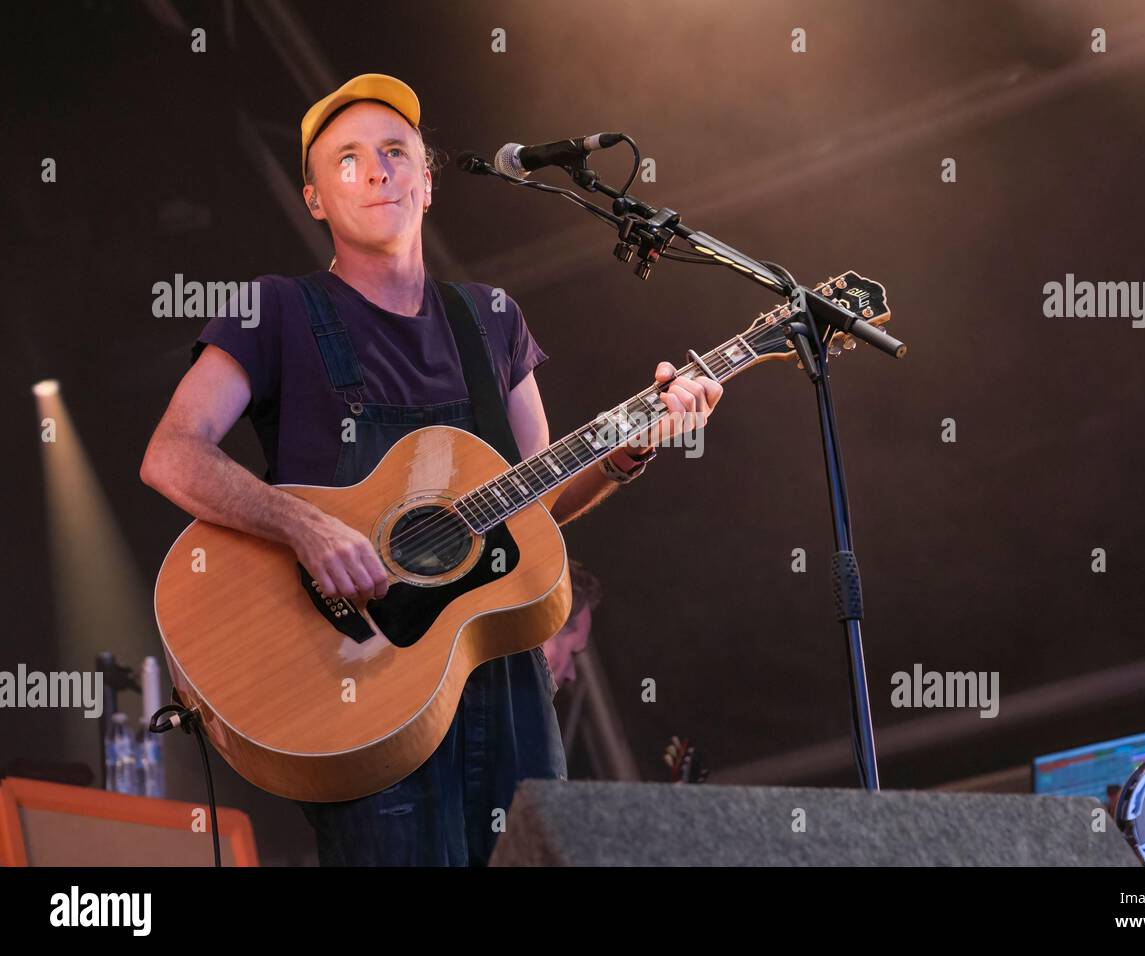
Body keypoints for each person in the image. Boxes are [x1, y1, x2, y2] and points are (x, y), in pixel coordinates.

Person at [139, 74, 722, 865]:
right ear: (314, 198)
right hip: (360, 686)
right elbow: (171, 454)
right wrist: (303, 525)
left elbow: (537, 502)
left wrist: (634, 444)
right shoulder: (272, 310)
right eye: (347, 160)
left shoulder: (490, 318)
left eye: (394, 152)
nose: (376, 170)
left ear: (428, 181)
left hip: (506, 681)